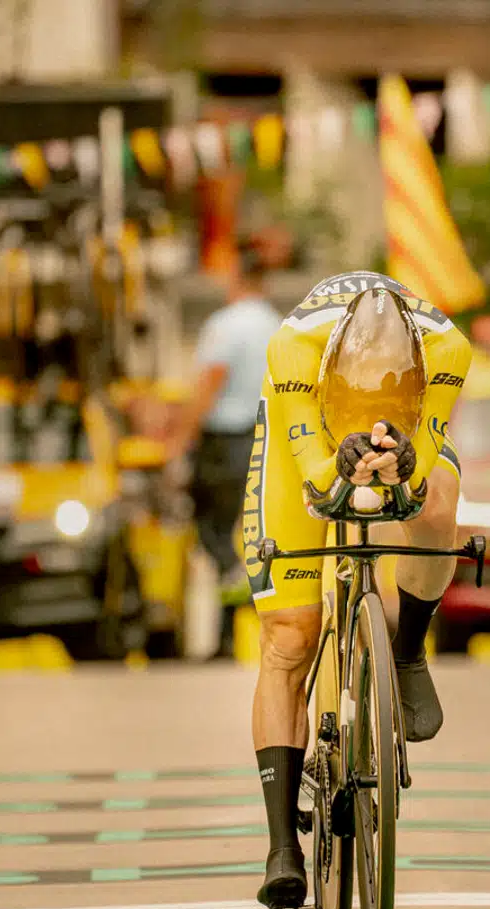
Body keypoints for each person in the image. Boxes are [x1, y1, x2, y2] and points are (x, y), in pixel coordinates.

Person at [245, 272, 470, 909]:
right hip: (301, 437)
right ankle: (281, 846)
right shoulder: (292, 348)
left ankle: (408, 649)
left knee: (437, 508)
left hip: (409, 429)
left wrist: (404, 470)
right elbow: (314, 479)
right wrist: (333, 468)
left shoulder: (448, 348)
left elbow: (421, 471)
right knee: (289, 636)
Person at [167, 240, 282, 658]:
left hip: (225, 444)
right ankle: (225, 638)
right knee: (246, 536)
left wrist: (179, 439)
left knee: (213, 533)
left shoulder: (226, 325)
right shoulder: (277, 324)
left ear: (236, 276)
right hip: (265, 441)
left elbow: (209, 384)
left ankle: (245, 590)